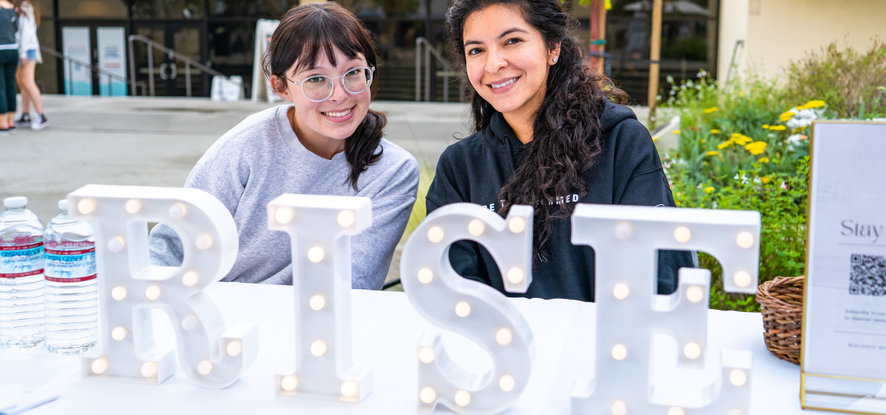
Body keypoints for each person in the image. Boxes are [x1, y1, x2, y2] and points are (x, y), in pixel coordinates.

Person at [426, 0, 696, 301]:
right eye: (476, 50)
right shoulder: (460, 167)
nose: (493, 64)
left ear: (552, 47)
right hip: (501, 345)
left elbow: (659, 275)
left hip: (601, 344)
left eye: (512, 41)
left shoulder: (622, 143)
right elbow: (452, 288)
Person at [150, 3, 420, 289]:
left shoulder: (392, 171)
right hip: (222, 315)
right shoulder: (246, 147)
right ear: (280, 87)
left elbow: (353, 283)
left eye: (353, 72)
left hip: (318, 322)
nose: (340, 94)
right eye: (316, 79)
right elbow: (170, 249)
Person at [15, 0, 47, 130]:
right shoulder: (19, 8)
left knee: (28, 83)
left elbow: (26, 35)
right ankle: (25, 114)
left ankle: (41, 115)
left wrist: (22, 54)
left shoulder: (25, 9)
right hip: (20, 50)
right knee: (23, 84)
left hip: (26, 50)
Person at [0, 0, 17, 134]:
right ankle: (11, 120)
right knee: (10, 84)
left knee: (0, 86)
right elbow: (17, 28)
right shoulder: (12, 8)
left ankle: (2, 122)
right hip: (13, 49)